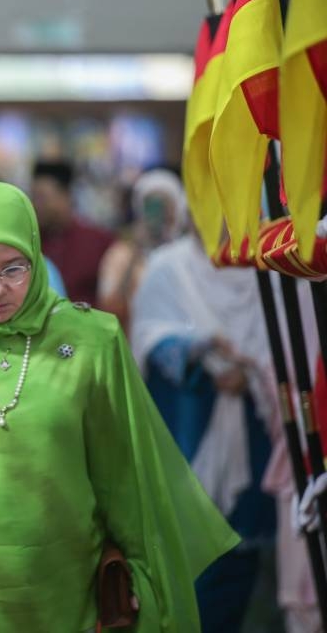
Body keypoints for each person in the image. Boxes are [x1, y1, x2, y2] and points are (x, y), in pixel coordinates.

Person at [0, 182, 238, 632]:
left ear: (37, 258)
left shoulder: (92, 340)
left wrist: (141, 568)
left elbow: (123, 473)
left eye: (14, 269)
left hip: (61, 585)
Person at [130, 232, 278, 632]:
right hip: (190, 421)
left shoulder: (268, 262)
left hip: (256, 423)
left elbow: (285, 334)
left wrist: (252, 373)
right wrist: (201, 353)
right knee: (192, 564)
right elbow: (147, 336)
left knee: (249, 561)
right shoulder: (169, 267)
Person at [98, 168, 186, 329]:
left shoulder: (188, 252)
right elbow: (110, 309)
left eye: (166, 204)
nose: (160, 213)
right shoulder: (121, 254)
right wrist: (135, 252)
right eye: (152, 204)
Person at [31, 159, 114, 305]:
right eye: (34, 198)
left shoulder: (99, 242)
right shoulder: (31, 243)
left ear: (66, 195)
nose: (36, 205)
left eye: (42, 198)